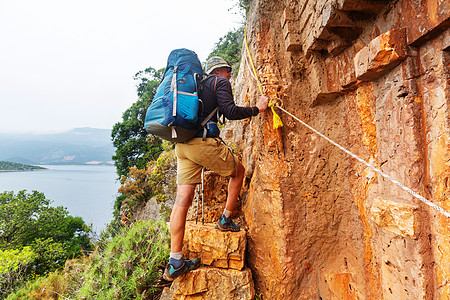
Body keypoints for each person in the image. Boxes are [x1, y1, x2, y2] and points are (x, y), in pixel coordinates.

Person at [163, 56, 269, 281]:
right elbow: (230, 112)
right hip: (201, 143)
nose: (231, 75)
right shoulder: (219, 83)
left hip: (182, 146)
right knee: (238, 172)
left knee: (182, 201)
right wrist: (257, 109)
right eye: (228, 71)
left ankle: (175, 262)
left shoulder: (196, 86)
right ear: (219, 71)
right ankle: (225, 219)